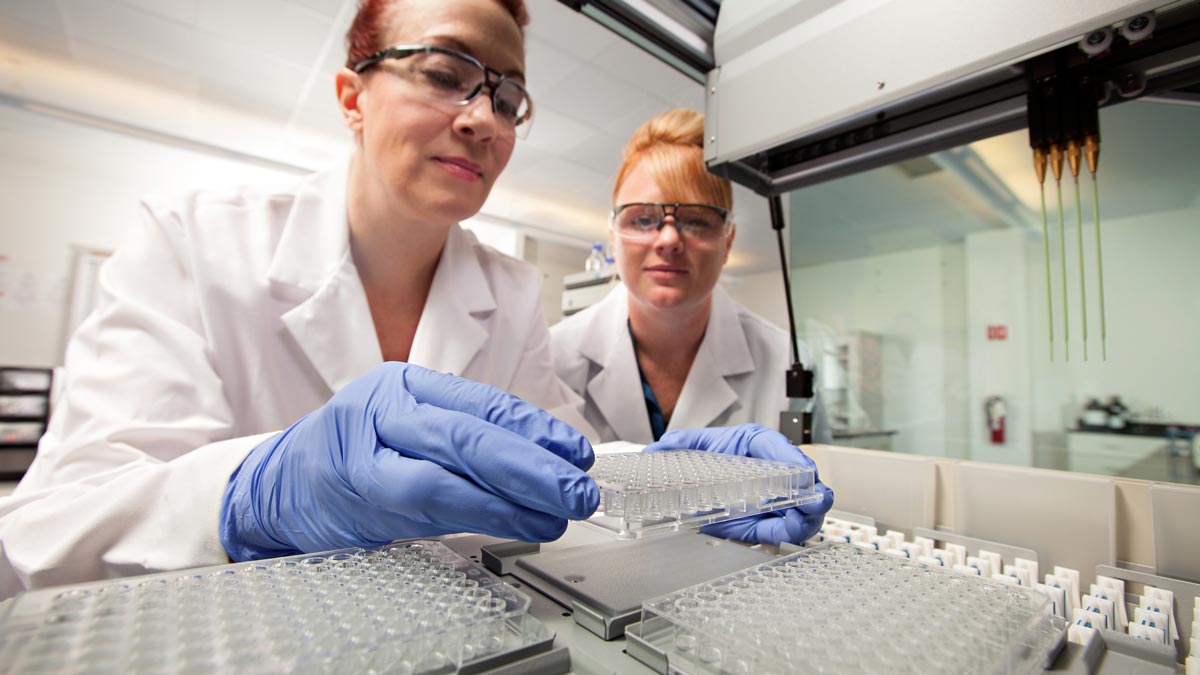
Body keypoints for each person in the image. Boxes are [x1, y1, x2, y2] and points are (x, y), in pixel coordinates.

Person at [0, 4, 828, 598]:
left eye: (507, 99)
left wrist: (693, 474)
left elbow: (558, 471)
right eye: (445, 73)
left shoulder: (507, 293)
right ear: (353, 97)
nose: (483, 119)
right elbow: (52, 530)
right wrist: (254, 491)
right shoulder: (193, 244)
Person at [551, 108, 832, 445]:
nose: (669, 240)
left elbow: (818, 484)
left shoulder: (783, 360)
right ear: (613, 237)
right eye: (642, 219)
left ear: (727, 242)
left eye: (697, 220)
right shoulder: (554, 356)